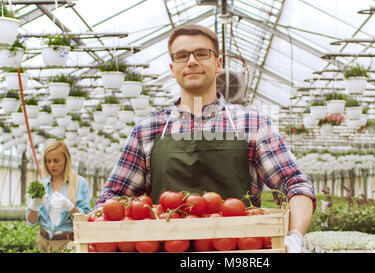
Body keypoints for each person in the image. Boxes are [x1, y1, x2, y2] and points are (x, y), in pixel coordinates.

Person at [95, 24, 316, 252]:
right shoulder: (147, 130)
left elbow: (295, 184)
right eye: (182, 56)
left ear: (218, 63)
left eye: (202, 54)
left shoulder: (251, 123)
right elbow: (112, 198)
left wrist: (294, 236)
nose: (192, 61)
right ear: (172, 68)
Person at [26, 141, 91, 252]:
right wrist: (34, 206)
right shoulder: (42, 185)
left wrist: (70, 207)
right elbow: (32, 221)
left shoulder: (79, 183)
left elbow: (85, 219)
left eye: (56, 161)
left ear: (66, 160)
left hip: (68, 244)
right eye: (48, 161)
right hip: (43, 243)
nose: (51, 165)